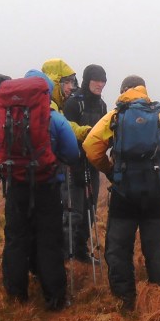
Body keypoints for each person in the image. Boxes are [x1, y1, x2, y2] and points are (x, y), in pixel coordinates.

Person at [82, 75, 160, 312]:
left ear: (123, 90)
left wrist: (110, 170)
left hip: (124, 194)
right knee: (157, 249)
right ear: (144, 90)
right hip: (156, 193)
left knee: (118, 248)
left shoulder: (115, 116)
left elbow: (91, 146)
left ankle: (125, 301)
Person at [1, 70, 83, 311]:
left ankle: (16, 296)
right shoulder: (55, 118)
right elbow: (71, 154)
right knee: (49, 241)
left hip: (16, 187)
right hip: (47, 186)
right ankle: (54, 298)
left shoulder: (8, 115)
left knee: (16, 239)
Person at [62, 64, 109, 262]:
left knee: (90, 210)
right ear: (87, 80)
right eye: (97, 80)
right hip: (74, 164)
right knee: (74, 211)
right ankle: (66, 253)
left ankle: (81, 251)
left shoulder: (102, 106)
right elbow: (67, 132)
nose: (100, 84)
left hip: (92, 164)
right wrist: (75, 161)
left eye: (103, 80)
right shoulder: (73, 103)